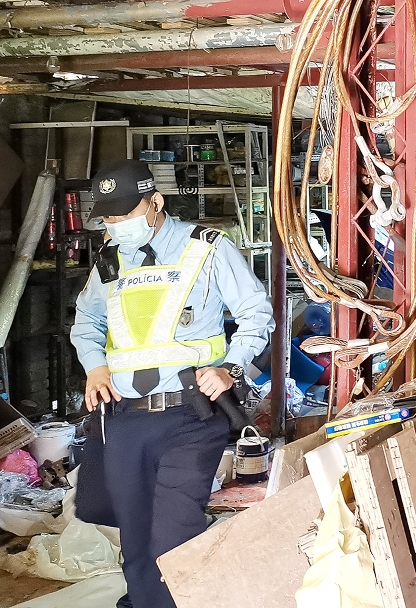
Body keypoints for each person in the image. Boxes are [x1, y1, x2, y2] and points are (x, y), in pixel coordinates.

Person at [70, 160, 274, 608]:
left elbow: (256, 312)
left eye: (125, 213)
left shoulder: (206, 247)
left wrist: (231, 367)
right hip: (125, 418)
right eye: (108, 216)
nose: (116, 224)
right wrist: (95, 367)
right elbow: (86, 322)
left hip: (190, 416)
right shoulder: (109, 260)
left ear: (155, 202)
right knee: (135, 537)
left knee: (174, 535)